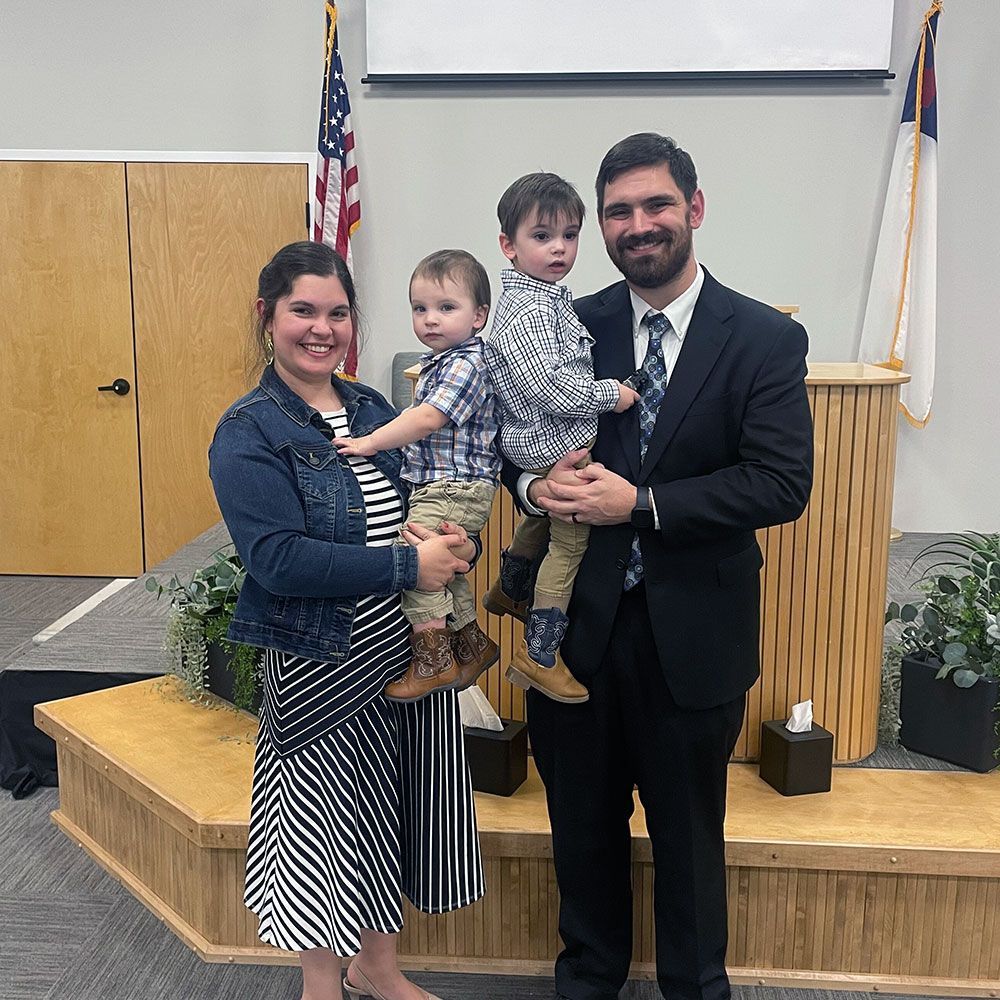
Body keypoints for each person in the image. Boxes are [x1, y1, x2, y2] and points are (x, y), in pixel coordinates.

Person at [504, 134, 814, 1000]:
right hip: (577, 644)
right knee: (582, 842)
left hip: (694, 641)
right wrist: (534, 484)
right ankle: (588, 983)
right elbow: (511, 441)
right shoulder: (569, 320)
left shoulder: (762, 337)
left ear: (694, 209)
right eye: (618, 213)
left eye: (655, 206)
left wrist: (637, 504)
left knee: (688, 847)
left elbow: (781, 482)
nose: (638, 226)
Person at [209, 241, 484, 1000]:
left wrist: (455, 541)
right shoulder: (250, 430)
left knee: (386, 813)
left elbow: (432, 490)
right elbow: (278, 561)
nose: (321, 328)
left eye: (336, 312)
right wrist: (406, 568)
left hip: (404, 656)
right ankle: (321, 984)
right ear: (268, 317)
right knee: (322, 830)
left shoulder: (371, 406)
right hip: (321, 660)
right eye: (303, 310)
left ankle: (379, 967)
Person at [482, 172, 639, 702]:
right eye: (542, 236)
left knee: (544, 514)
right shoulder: (528, 310)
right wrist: (609, 394)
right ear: (508, 245)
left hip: (546, 440)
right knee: (570, 545)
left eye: (569, 235)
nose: (559, 248)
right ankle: (539, 653)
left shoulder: (546, 299)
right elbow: (549, 387)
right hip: (547, 442)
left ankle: (509, 588)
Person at [332, 249, 501, 702]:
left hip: (451, 485)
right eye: (420, 308)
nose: (430, 319)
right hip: (450, 486)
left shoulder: (467, 364)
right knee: (444, 568)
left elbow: (426, 419)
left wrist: (368, 443)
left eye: (447, 308)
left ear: (479, 316)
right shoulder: (440, 361)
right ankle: (473, 646)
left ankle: (433, 662)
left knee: (415, 564)